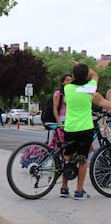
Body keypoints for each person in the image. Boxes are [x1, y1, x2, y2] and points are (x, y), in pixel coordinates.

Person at [61, 61, 98, 200]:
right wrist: (84, 66)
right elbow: (95, 75)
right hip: (85, 128)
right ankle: (79, 191)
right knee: (83, 159)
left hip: (70, 127)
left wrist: (77, 68)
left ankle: (64, 188)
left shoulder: (68, 89)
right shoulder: (89, 88)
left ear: (73, 75)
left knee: (68, 157)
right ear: (85, 75)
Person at [49, 73, 73, 148]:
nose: (70, 81)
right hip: (61, 118)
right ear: (63, 83)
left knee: (67, 142)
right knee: (57, 142)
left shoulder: (72, 93)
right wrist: (58, 121)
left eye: (71, 80)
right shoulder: (59, 93)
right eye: (67, 80)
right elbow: (55, 108)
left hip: (70, 119)